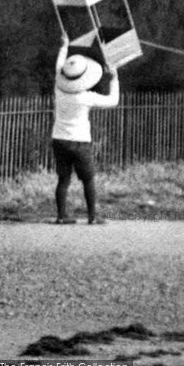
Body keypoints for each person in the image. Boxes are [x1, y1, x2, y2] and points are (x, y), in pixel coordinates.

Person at [52, 33, 119, 224]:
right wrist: (114, 79)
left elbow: (58, 67)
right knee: (88, 179)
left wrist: (64, 47)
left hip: (59, 139)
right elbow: (113, 101)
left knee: (63, 179)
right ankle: (92, 216)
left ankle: (61, 216)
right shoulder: (86, 97)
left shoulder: (59, 90)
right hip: (80, 141)